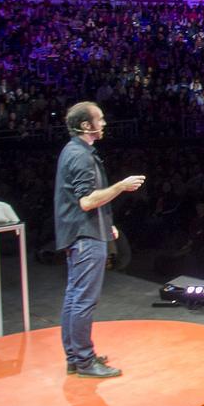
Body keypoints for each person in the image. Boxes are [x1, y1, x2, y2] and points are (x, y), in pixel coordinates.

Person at [53, 101, 146, 377]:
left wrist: (107, 224)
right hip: (85, 237)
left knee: (74, 298)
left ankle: (76, 357)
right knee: (83, 300)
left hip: (82, 232)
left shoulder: (73, 151)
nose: (104, 123)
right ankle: (83, 360)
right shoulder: (80, 156)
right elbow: (86, 201)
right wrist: (121, 186)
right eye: (100, 119)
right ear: (86, 125)